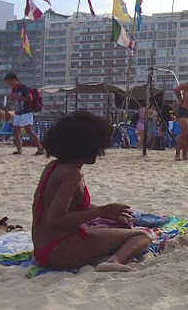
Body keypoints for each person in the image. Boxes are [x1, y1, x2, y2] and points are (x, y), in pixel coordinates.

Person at [33, 112, 151, 272]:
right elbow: (56, 219)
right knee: (142, 236)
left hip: (42, 250)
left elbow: (63, 208)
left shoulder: (54, 167)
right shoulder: (72, 174)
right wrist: (102, 211)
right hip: (59, 250)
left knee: (111, 230)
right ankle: (115, 261)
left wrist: (107, 212)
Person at [4, 73, 44, 155]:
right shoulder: (14, 89)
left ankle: (40, 148)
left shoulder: (23, 87)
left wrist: (18, 97)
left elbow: (30, 98)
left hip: (26, 112)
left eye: (9, 82)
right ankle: (19, 150)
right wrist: (12, 97)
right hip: (18, 112)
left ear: (13, 80)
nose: (9, 84)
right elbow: (15, 100)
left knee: (29, 131)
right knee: (16, 131)